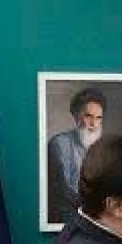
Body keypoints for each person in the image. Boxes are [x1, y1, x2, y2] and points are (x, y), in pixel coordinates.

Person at [47, 88, 107, 224]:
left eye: (98, 118)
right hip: (68, 218)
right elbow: (64, 188)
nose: (93, 124)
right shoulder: (60, 143)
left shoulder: (102, 148)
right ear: (76, 116)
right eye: (88, 116)